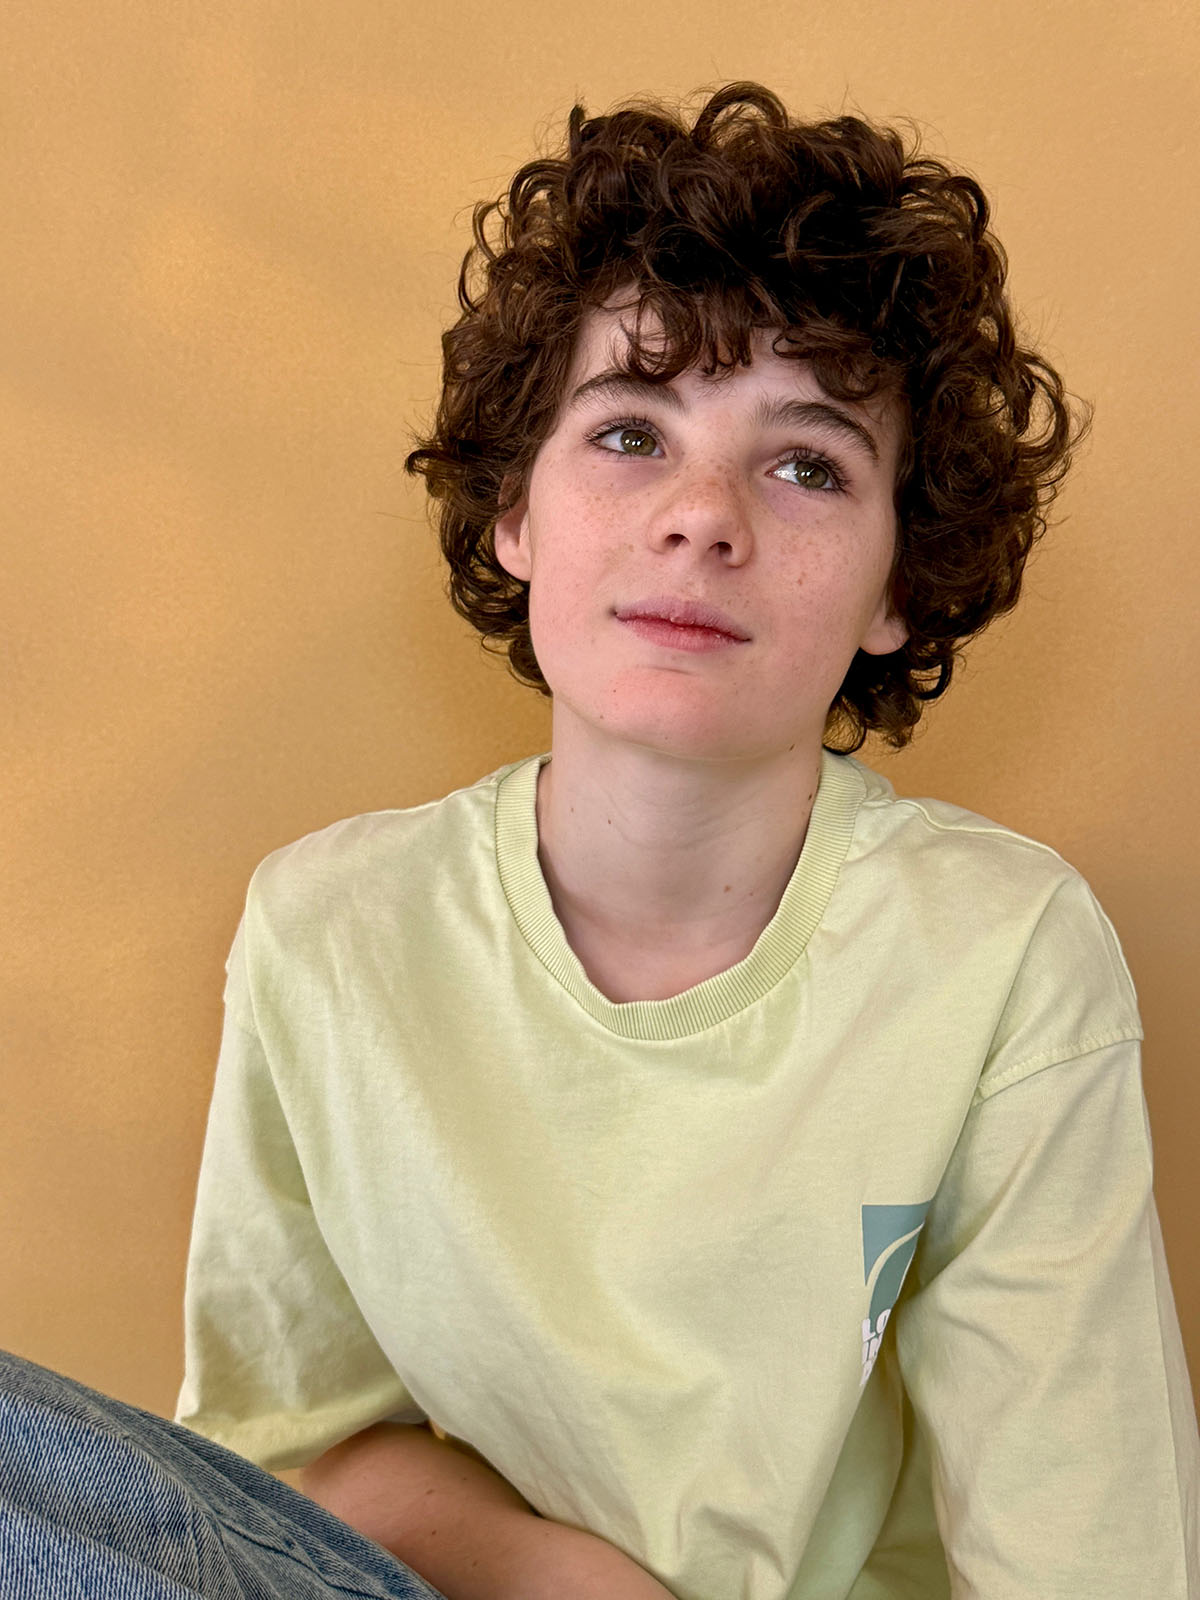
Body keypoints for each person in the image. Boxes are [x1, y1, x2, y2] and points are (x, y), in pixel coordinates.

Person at [3, 81, 1197, 1600]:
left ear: (901, 583)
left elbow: (1087, 1555)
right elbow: (280, 1469)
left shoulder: (1001, 956)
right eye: (632, 432)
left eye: (809, 463)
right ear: (516, 515)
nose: (704, 517)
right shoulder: (329, 927)